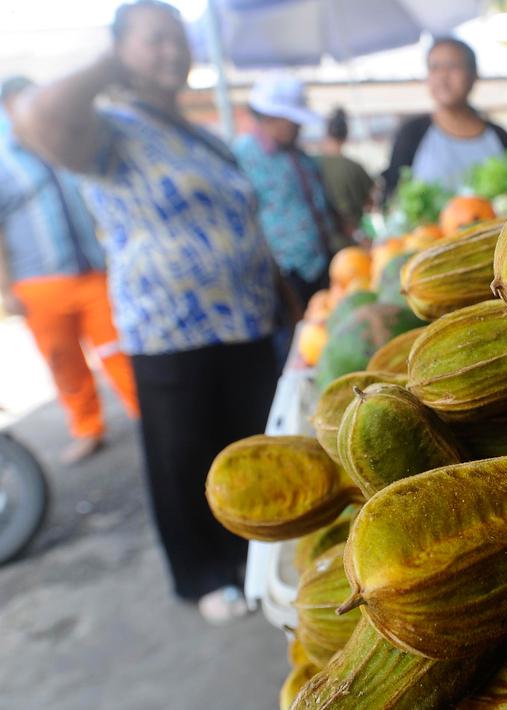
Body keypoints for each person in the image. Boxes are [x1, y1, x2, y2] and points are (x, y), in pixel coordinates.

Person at [9, 0, 289, 624]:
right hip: (170, 330)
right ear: (119, 51)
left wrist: (285, 305)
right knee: (184, 454)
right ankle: (203, 577)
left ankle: (252, 556)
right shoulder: (105, 128)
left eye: (176, 39)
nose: (171, 51)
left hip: (245, 323)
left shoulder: (200, 134)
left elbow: (242, 222)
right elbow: (38, 119)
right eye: (151, 41)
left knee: (247, 445)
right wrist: (113, 65)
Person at [0, 76, 140, 464]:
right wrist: (6, 288)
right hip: (39, 281)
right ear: (10, 106)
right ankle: (87, 428)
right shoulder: (4, 159)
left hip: (93, 272)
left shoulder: (63, 145)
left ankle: (146, 416)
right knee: (64, 362)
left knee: (119, 349)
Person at [233, 75, 337, 310]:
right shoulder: (243, 156)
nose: (299, 126)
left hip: (321, 264)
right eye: (292, 121)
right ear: (270, 117)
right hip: (285, 274)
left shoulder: (300, 157)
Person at [381, 37, 507, 198]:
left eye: (453, 66)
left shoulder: (499, 137)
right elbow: (392, 195)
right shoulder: (412, 135)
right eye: (434, 67)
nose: (443, 76)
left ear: (474, 74)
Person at [316, 107, 374, 241]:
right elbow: (371, 203)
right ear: (346, 134)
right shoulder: (355, 167)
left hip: (320, 241)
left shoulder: (312, 164)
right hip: (351, 242)